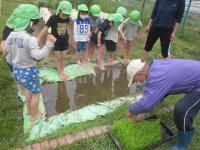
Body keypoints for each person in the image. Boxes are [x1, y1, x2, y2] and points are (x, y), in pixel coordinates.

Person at [126, 59, 200, 150]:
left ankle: (182, 145)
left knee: (182, 111)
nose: (137, 83)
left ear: (140, 74)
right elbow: (159, 92)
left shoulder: (158, 77)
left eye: (135, 80)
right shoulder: (156, 67)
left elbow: (146, 104)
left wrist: (131, 110)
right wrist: (142, 111)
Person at [5, 5, 56, 122]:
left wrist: (13, 67)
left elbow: (7, 56)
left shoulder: (10, 36)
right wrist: (49, 44)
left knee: (27, 91)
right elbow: (38, 56)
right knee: (36, 93)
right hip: (29, 71)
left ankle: (29, 110)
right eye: (35, 23)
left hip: (17, 71)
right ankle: (34, 116)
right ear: (31, 23)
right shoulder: (30, 39)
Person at [38, 1, 72, 80]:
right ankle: (59, 72)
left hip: (64, 40)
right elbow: (45, 28)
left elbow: (64, 28)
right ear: (59, 10)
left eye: (67, 15)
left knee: (63, 57)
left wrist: (68, 38)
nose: (65, 16)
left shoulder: (68, 19)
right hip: (55, 41)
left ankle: (63, 71)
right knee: (58, 58)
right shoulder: (53, 18)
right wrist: (39, 38)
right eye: (64, 14)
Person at [1, 4, 41, 72]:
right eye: (33, 24)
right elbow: (4, 49)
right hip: (17, 64)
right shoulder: (9, 32)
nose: (33, 27)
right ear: (28, 22)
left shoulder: (20, 28)